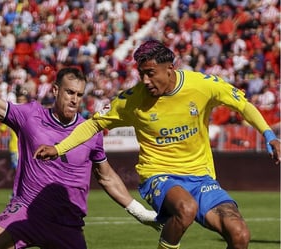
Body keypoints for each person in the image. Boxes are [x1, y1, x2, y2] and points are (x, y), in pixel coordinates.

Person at [0, 16, 159, 249]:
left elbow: (106, 177)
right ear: (55, 90)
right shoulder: (29, 116)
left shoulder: (90, 131)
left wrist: (139, 211)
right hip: (25, 213)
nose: (74, 99)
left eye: (79, 95)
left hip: (66, 224)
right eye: (70, 92)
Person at [34, 39, 281, 249]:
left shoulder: (202, 85)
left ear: (169, 69)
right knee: (185, 208)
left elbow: (243, 105)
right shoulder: (131, 100)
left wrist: (269, 136)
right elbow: (93, 124)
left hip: (202, 178)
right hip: (159, 176)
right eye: (141, 73)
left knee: (240, 235)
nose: (145, 80)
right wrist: (59, 148)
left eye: (150, 73)